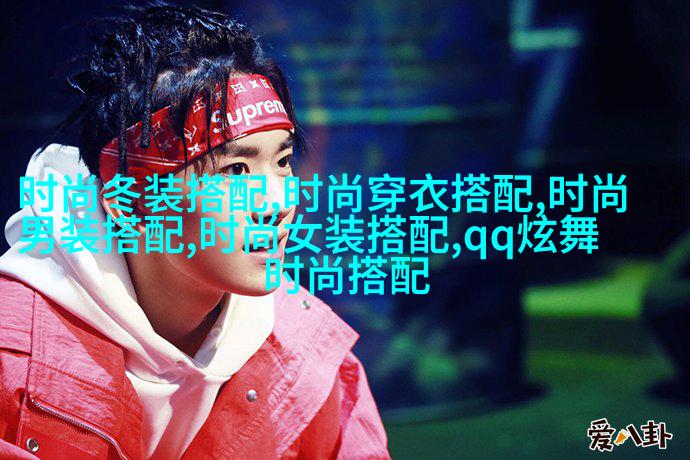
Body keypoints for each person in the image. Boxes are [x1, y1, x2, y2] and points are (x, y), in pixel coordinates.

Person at [0, 3, 390, 459]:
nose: (279, 204)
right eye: (235, 170)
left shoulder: (312, 360)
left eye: (283, 161)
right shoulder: (12, 358)